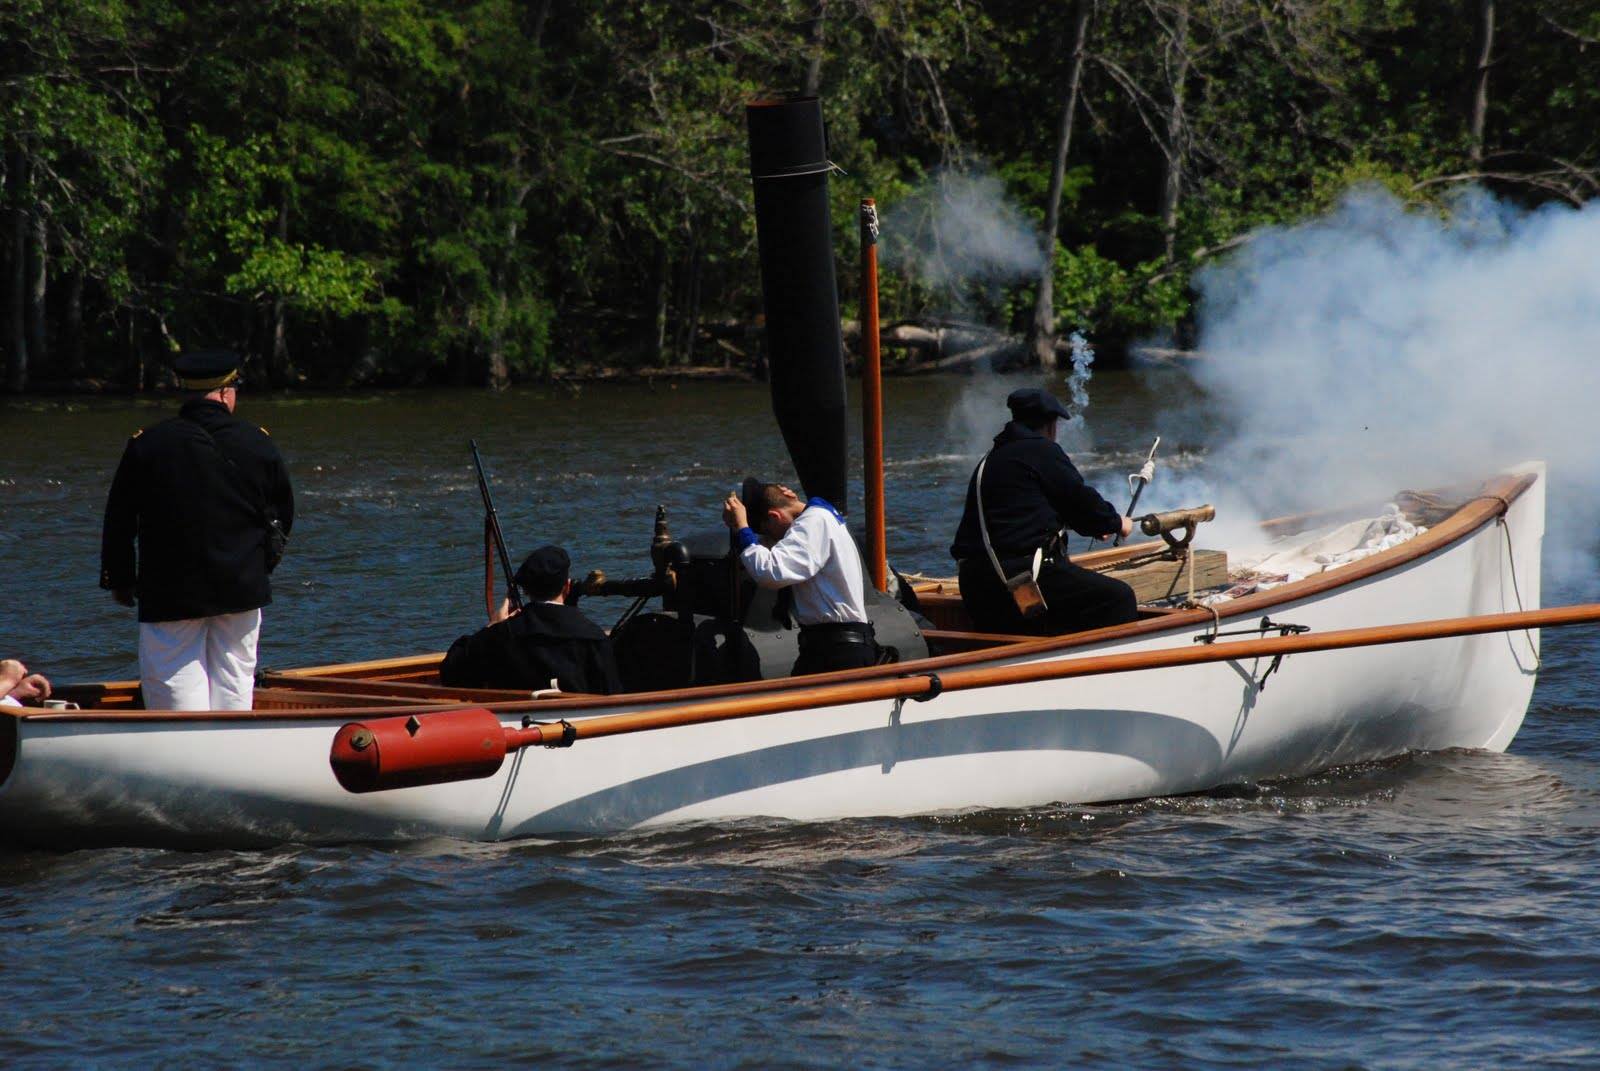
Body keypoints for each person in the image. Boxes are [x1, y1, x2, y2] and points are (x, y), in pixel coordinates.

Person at [100, 349, 295, 711]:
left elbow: (120, 519)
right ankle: (231, 752)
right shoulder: (258, 442)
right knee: (235, 685)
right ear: (224, 393)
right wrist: (260, 565)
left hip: (170, 590)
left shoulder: (148, 444)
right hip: (241, 585)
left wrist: (122, 580)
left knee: (173, 685)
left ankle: (182, 755)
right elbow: (283, 513)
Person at [950, 387, 1139, 635]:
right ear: (1051, 425)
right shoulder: (1042, 450)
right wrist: (1116, 523)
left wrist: (1092, 525)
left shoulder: (990, 460)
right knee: (1119, 598)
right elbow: (1081, 500)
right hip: (1022, 579)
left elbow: (1027, 514)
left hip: (977, 585)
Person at [722, 479, 879, 675]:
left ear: (774, 516)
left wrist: (742, 529)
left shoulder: (813, 522)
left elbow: (771, 572)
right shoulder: (821, 517)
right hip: (826, 647)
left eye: (770, 533)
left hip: (837, 651)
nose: (777, 541)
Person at [439, 545, 622, 694]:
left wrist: (492, 626)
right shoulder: (593, 637)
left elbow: (451, 672)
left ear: (526, 591)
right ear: (566, 587)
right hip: (585, 728)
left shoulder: (503, 634)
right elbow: (612, 696)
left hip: (515, 726)